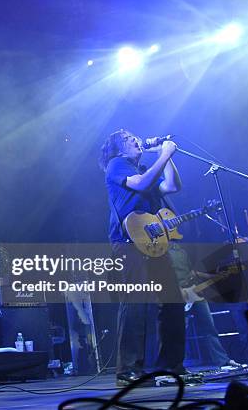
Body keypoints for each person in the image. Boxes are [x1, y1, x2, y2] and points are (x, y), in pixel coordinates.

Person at [100, 129, 185, 386]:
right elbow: (141, 184)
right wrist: (165, 154)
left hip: (153, 242)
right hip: (127, 242)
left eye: (135, 137)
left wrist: (166, 156)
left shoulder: (146, 168)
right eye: (128, 139)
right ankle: (128, 371)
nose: (136, 140)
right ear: (118, 148)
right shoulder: (117, 165)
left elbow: (172, 186)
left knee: (172, 300)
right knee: (135, 301)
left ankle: (171, 365)